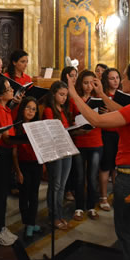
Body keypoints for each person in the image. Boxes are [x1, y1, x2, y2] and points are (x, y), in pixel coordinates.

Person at [67, 61, 130, 260]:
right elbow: (123, 112)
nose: (123, 81)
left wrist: (72, 91)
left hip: (129, 179)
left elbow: (95, 119)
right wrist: (103, 94)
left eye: (125, 77)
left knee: (126, 230)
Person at [0, 76, 19, 245]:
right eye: (8, 89)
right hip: (0, 154)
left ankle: (1, 227)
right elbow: (5, 138)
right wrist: (22, 139)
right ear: (0, 95)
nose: (12, 90)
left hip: (6, 153)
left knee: (3, 193)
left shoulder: (6, 109)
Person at [70, 70, 103, 221]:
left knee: (92, 177)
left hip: (95, 141)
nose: (89, 86)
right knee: (79, 176)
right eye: (85, 83)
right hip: (79, 141)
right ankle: (78, 207)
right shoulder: (75, 99)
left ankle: (91, 206)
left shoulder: (99, 99)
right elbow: (70, 119)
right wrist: (75, 126)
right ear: (80, 84)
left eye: (92, 83)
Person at [42, 81, 73, 230]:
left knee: (62, 185)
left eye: (66, 95)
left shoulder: (64, 110)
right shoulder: (49, 110)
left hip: (66, 148)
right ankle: (53, 216)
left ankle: (60, 214)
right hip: (55, 151)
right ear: (53, 94)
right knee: (55, 185)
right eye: (61, 95)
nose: (64, 98)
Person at [13, 97, 43, 239]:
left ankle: (31, 223)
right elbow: (14, 152)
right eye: (28, 108)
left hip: (36, 164)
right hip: (23, 165)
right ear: (22, 108)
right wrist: (18, 171)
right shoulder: (17, 126)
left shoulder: (37, 126)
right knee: (24, 195)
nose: (31, 111)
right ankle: (27, 223)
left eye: (34, 109)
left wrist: (42, 164)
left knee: (34, 195)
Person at [98, 68, 123, 211]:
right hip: (106, 133)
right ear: (106, 80)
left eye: (117, 78)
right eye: (112, 78)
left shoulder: (123, 95)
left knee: (117, 166)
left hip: (120, 133)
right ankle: (103, 196)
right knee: (106, 165)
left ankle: (116, 194)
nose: (115, 81)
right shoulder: (103, 96)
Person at [60, 66, 78, 202]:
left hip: (73, 128)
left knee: (73, 166)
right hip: (64, 131)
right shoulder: (62, 90)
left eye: (75, 75)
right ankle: (66, 190)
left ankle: (71, 188)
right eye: (72, 75)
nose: (74, 78)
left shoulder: (76, 91)